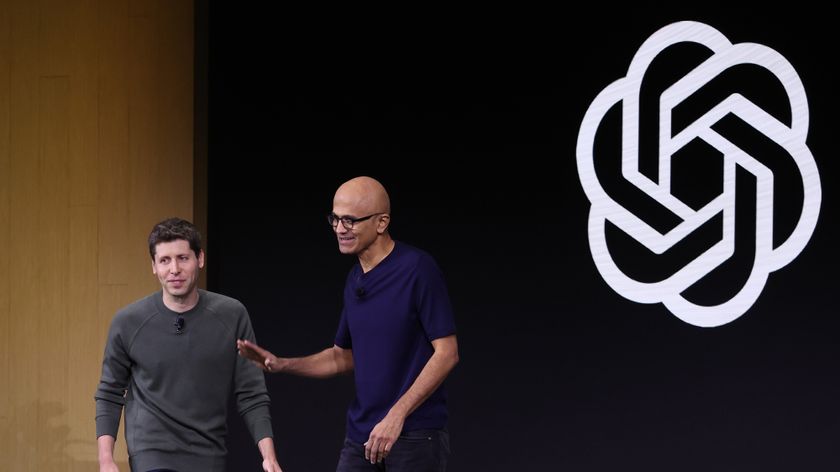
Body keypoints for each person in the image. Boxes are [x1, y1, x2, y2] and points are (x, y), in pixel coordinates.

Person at [237, 176, 459, 471]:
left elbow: (447, 353)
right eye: (335, 219)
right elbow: (341, 357)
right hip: (362, 436)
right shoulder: (354, 280)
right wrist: (281, 364)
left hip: (414, 435)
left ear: (381, 223)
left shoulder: (417, 269)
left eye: (351, 221)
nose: (340, 229)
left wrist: (397, 415)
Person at [94, 217, 283, 472]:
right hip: (151, 454)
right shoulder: (129, 322)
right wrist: (106, 460)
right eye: (164, 260)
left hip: (208, 453)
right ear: (154, 266)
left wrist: (269, 457)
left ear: (200, 259)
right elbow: (110, 392)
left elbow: (251, 392)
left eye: (183, 258)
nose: (174, 269)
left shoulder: (231, 315)